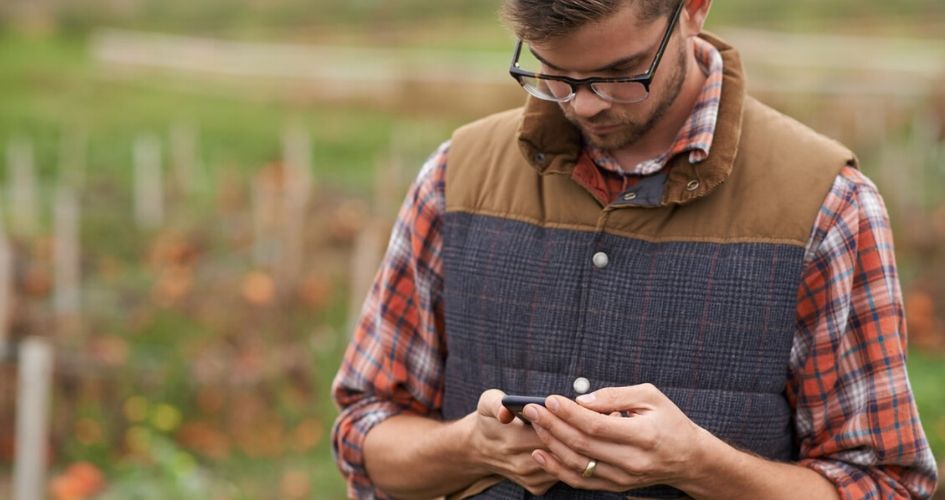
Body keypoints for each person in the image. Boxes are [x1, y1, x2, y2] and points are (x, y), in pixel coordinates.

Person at [331, 0, 940, 498]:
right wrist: (470, 446)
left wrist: (701, 465)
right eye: (556, 74)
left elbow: (886, 485)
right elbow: (365, 434)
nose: (586, 104)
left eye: (622, 74)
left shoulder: (828, 205)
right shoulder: (453, 177)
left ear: (694, 9)